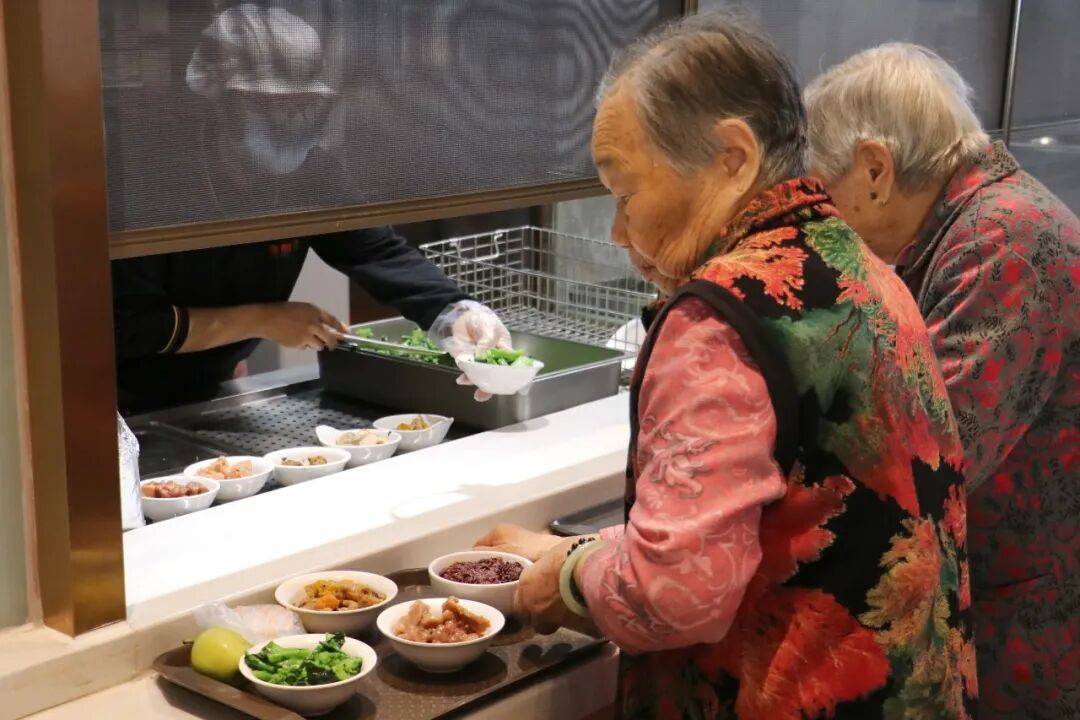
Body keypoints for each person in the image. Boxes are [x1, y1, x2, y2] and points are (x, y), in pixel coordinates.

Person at [477, 15, 977, 719]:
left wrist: (567, 577)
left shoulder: (716, 319)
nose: (618, 231)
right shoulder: (860, 265)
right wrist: (589, 547)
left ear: (733, 157)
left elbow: (676, 595)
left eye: (625, 195)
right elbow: (775, 519)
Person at [803, 43, 1079, 720]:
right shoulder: (966, 226)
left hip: (1028, 632)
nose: (820, 219)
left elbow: (926, 455)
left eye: (821, 190)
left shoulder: (1005, 240)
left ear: (875, 169)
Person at [113, 4, 508, 413]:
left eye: (302, 104)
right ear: (219, 100)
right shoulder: (155, 179)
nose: (286, 120)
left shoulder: (309, 173)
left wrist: (455, 312)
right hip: (114, 392)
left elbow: (376, 251)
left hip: (214, 381)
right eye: (266, 103)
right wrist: (262, 318)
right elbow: (128, 324)